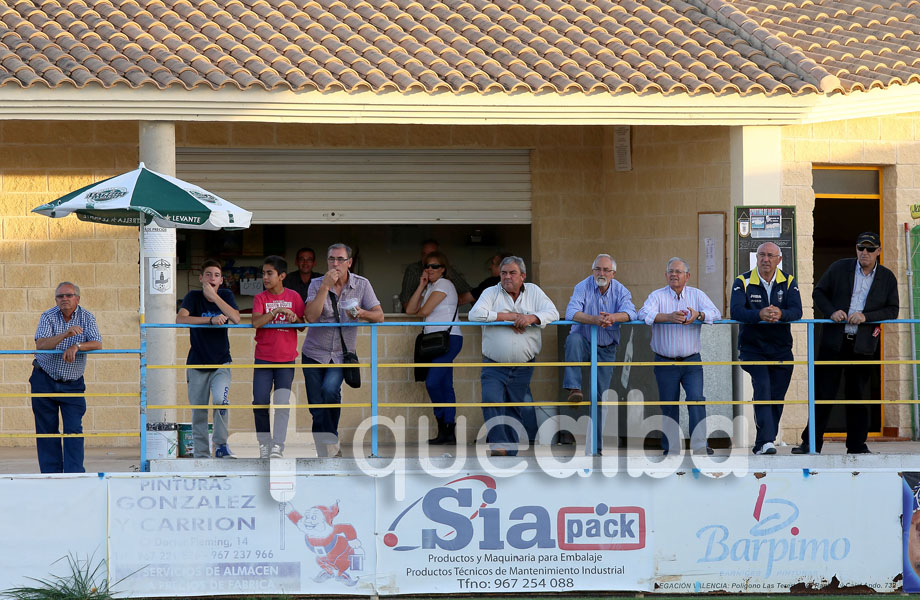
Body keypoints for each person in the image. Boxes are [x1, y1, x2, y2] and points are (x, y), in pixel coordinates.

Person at [792, 232, 899, 454]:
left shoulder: (887, 277)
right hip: (833, 342)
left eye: (870, 249)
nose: (865, 253)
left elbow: (893, 310)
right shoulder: (840, 267)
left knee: (859, 395)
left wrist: (865, 317)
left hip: (863, 345)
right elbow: (819, 292)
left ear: (879, 251)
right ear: (856, 249)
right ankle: (811, 443)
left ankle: (857, 445)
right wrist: (831, 311)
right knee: (823, 393)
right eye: (861, 248)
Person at [469, 256, 559, 456]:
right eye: (503, 273)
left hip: (523, 365)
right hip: (494, 364)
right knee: (491, 399)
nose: (507, 277)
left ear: (523, 276)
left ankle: (509, 452)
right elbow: (474, 314)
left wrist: (530, 318)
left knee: (513, 408)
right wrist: (507, 317)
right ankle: (498, 444)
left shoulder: (534, 291)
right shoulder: (491, 292)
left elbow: (553, 312)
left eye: (512, 273)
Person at [303, 243, 384, 456]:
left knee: (330, 391)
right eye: (331, 259)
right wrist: (325, 287)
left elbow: (380, 316)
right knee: (316, 406)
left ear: (349, 262)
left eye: (340, 259)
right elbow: (310, 317)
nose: (335, 263)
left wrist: (362, 313)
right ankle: (326, 448)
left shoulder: (362, 284)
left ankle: (331, 442)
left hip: (341, 354)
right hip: (313, 353)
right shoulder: (316, 283)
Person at [637, 257, 721, 456]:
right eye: (671, 272)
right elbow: (643, 313)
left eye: (678, 272)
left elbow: (715, 313)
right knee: (668, 405)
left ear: (687, 276)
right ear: (666, 276)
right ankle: (671, 447)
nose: (674, 275)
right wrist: (668, 317)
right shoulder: (657, 296)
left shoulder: (697, 295)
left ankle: (700, 445)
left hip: (692, 361)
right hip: (665, 361)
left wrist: (698, 315)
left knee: (696, 399)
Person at [730, 242, 802, 455]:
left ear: (779, 259)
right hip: (753, 350)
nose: (765, 259)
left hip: (781, 350)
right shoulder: (741, 281)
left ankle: (763, 442)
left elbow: (797, 310)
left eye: (771, 255)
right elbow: (735, 312)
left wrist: (781, 314)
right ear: (756, 258)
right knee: (763, 389)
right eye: (761, 255)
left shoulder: (788, 281)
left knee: (777, 396)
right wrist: (759, 315)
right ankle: (767, 441)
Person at [561, 254, 636, 452]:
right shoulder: (582, 286)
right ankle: (574, 389)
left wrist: (613, 317)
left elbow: (631, 313)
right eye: (597, 269)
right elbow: (571, 313)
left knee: (600, 397)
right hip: (584, 341)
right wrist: (595, 320)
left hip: (606, 347)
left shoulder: (621, 290)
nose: (601, 273)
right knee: (573, 339)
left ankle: (596, 447)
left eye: (605, 270)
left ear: (613, 273)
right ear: (593, 270)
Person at [30, 282, 103, 473]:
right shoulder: (48, 316)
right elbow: (42, 344)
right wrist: (65, 334)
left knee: (73, 429)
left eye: (68, 295)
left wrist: (77, 346)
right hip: (44, 378)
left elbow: (97, 343)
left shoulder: (87, 317)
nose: (64, 299)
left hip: (72, 383)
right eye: (60, 296)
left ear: (77, 298)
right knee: (46, 431)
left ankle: (74, 474)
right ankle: (51, 474)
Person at [176, 260, 241, 459]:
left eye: (216, 275)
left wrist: (215, 298)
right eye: (208, 274)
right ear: (201, 278)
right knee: (199, 411)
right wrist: (210, 320)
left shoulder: (226, 295)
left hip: (221, 362)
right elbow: (181, 319)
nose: (212, 277)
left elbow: (236, 318)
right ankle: (201, 453)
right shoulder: (193, 296)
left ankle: (220, 445)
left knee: (221, 402)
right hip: (197, 363)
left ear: (221, 280)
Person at [405, 250, 463, 445]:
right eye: (427, 266)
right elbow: (410, 310)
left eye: (434, 266)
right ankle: (447, 432)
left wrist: (423, 299)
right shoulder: (430, 287)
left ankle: (446, 427)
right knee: (445, 385)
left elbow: (424, 311)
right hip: (433, 342)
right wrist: (421, 285)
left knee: (432, 382)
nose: (430, 269)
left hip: (448, 340)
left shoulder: (445, 284)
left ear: (443, 269)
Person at [252, 255, 304, 459]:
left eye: (269, 273)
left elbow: (302, 325)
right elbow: (255, 323)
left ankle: (278, 446)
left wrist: (294, 317)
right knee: (260, 403)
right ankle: (264, 444)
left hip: (286, 359)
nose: (265, 277)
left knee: (282, 404)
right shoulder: (260, 298)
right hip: (263, 358)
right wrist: (276, 312)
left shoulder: (294, 297)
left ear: (282, 276)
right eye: (263, 273)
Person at [400, 239, 474, 308]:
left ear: (442, 269)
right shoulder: (414, 269)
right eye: (424, 254)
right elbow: (406, 304)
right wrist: (421, 286)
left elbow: (471, 293)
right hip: (416, 319)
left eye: (432, 255)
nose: (427, 258)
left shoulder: (446, 281)